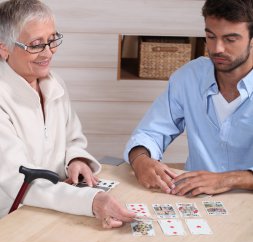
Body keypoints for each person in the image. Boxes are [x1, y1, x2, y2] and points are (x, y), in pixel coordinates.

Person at [0, 0, 135, 228]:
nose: (48, 52)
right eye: (36, 44)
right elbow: (19, 181)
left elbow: (73, 138)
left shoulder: (55, 84)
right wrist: (90, 200)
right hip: (12, 219)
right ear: (4, 48)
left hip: (60, 209)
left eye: (52, 40)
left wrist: (76, 159)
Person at [124, 0, 253, 197]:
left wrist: (227, 180)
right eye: (210, 36)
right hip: (195, 201)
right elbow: (150, 133)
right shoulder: (189, 77)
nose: (217, 48)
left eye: (230, 39)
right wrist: (141, 160)